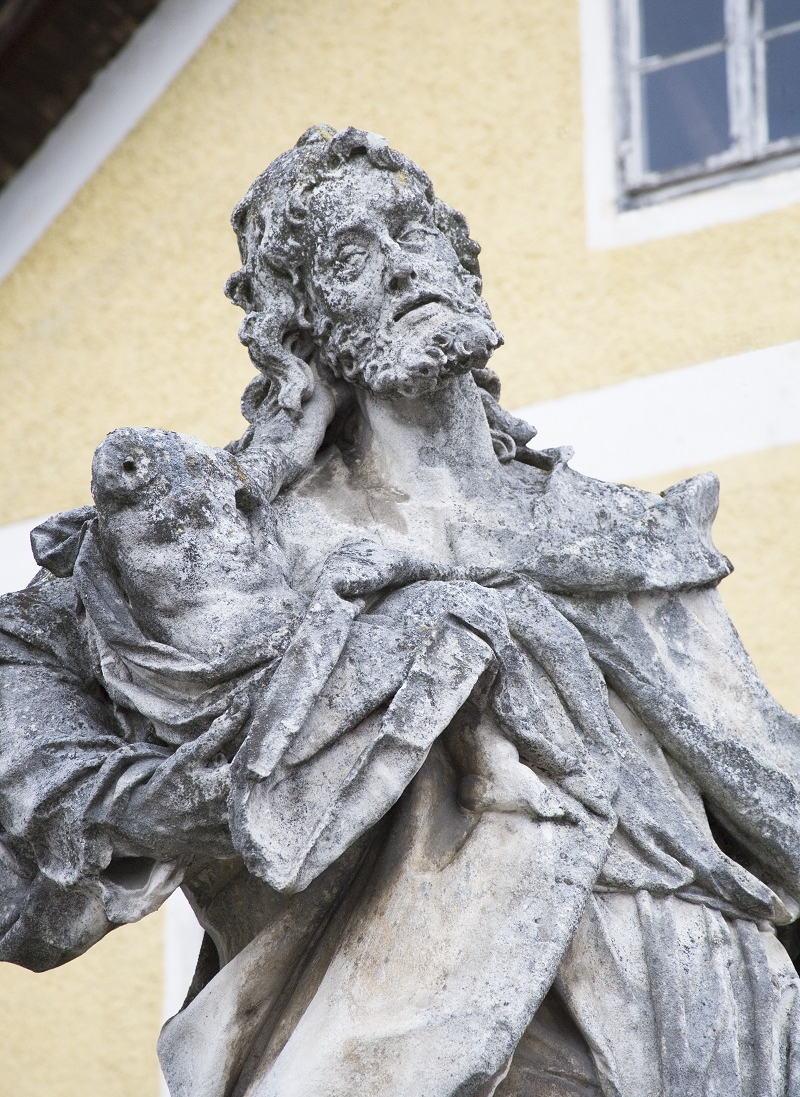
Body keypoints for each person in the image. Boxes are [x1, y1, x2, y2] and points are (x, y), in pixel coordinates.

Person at [1, 125, 799, 1097]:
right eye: (349, 254)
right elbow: (22, 669)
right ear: (300, 327)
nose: (400, 263)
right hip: (426, 1035)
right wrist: (143, 799)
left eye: (414, 231)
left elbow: (763, 790)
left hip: (704, 1008)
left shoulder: (623, 531)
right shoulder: (238, 538)